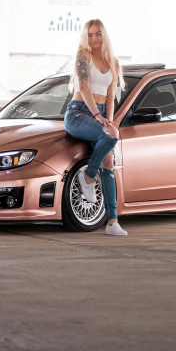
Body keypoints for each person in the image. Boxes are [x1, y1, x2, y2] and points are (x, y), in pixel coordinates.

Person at [64, 19, 128, 236]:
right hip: (79, 112)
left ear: (104, 35)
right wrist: (98, 116)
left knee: (109, 161)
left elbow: (110, 97)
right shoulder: (83, 55)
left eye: (98, 34)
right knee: (111, 135)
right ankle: (89, 176)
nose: (94, 38)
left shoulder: (113, 62)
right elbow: (83, 86)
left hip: (99, 113)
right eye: (90, 34)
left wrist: (107, 119)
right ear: (85, 36)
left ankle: (112, 222)